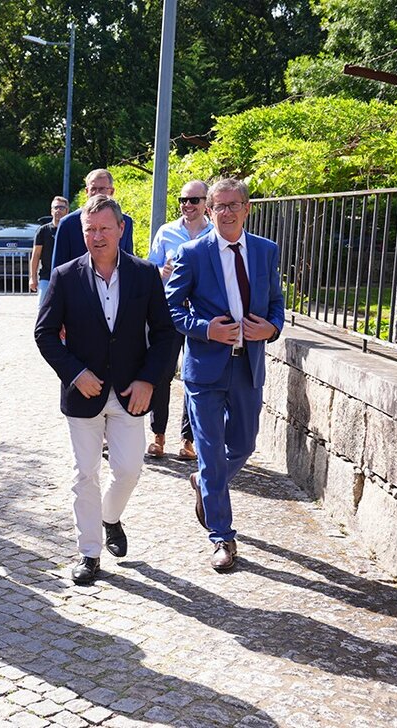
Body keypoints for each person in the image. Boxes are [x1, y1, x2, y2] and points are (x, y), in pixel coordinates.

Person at [34, 195, 176, 585]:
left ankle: (110, 517)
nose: (97, 237)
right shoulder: (65, 276)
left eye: (104, 229)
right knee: (85, 474)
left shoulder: (144, 275)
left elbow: (165, 334)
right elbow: (45, 334)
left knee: (129, 470)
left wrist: (149, 380)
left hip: (131, 392)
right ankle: (89, 552)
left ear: (121, 229)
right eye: (90, 230)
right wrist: (75, 373)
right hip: (83, 395)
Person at [164, 178, 284, 572]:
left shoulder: (266, 251)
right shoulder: (192, 253)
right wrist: (205, 329)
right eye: (219, 206)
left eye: (234, 205)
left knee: (244, 445)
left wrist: (272, 328)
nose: (227, 212)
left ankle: (205, 482)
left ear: (247, 208)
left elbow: (276, 303)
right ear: (210, 210)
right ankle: (222, 537)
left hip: (248, 365)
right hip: (205, 370)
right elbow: (170, 308)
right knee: (211, 451)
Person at [146, 180, 213, 460]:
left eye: (194, 200)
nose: (187, 205)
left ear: (206, 203)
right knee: (162, 373)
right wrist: (161, 272)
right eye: (183, 200)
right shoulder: (166, 232)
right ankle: (158, 435)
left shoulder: (215, 233)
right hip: (170, 311)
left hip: (201, 313)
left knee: (193, 377)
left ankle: (188, 440)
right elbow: (149, 268)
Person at [52, 169, 134, 268]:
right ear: (87, 191)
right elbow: (58, 266)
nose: (97, 193)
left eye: (102, 189)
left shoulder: (125, 222)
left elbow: (129, 261)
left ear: (111, 191)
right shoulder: (68, 223)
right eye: (93, 189)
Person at [29, 196, 69, 306]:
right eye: (56, 207)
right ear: (51, 211)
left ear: (67, 211)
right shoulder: (43, 231)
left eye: (61, 208)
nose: (58, 210)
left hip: (67, 277)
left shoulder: (70, 230)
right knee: (42, 307)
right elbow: (36, 255)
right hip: (46, 276)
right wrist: (33, 278)